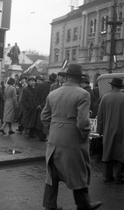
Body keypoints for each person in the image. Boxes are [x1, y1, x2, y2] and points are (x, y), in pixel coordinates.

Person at [41, 64, 102, 210]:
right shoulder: (83, 94)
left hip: (54, 139)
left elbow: (44, 117)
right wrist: (85, 136)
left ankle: (50, 205)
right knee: (78, 170)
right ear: (79, 78)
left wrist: (55, 128)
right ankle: (84, 205)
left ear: (67, 76)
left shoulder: (53, 94)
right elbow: (82, 122)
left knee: (52, 173)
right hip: (73, 140)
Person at [97, 77, 124, 184]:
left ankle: (107, 176)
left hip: (108, 129)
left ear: (112, 86)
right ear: (120, 87)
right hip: (122, 129)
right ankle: (119, 176)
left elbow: (100, 116)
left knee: (108, 152)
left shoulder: (105, 98)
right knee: (121, 152)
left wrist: (100, 131)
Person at [34, 75, 52, 141]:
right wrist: (42, 105)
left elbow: (36, 95)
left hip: (39, 106)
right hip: (46, 105)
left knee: (39, 121)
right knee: (45, 121)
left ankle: (39, 135)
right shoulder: (52, 86)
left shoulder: (40, 85)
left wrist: (38, 105)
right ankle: (43, 137)